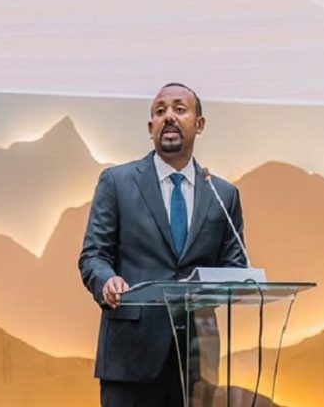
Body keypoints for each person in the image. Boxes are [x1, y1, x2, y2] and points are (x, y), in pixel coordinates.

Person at [79, 83, 247, 407]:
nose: (169, 116)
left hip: (196, 361)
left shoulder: (222, 194)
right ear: (150, 128)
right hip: (130, 358)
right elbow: (93, 256)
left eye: (179, 109)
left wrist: (228, 284)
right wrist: (107, 281)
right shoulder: (117, 183)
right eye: (160, 111)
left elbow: (235, 269)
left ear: (199, 124)